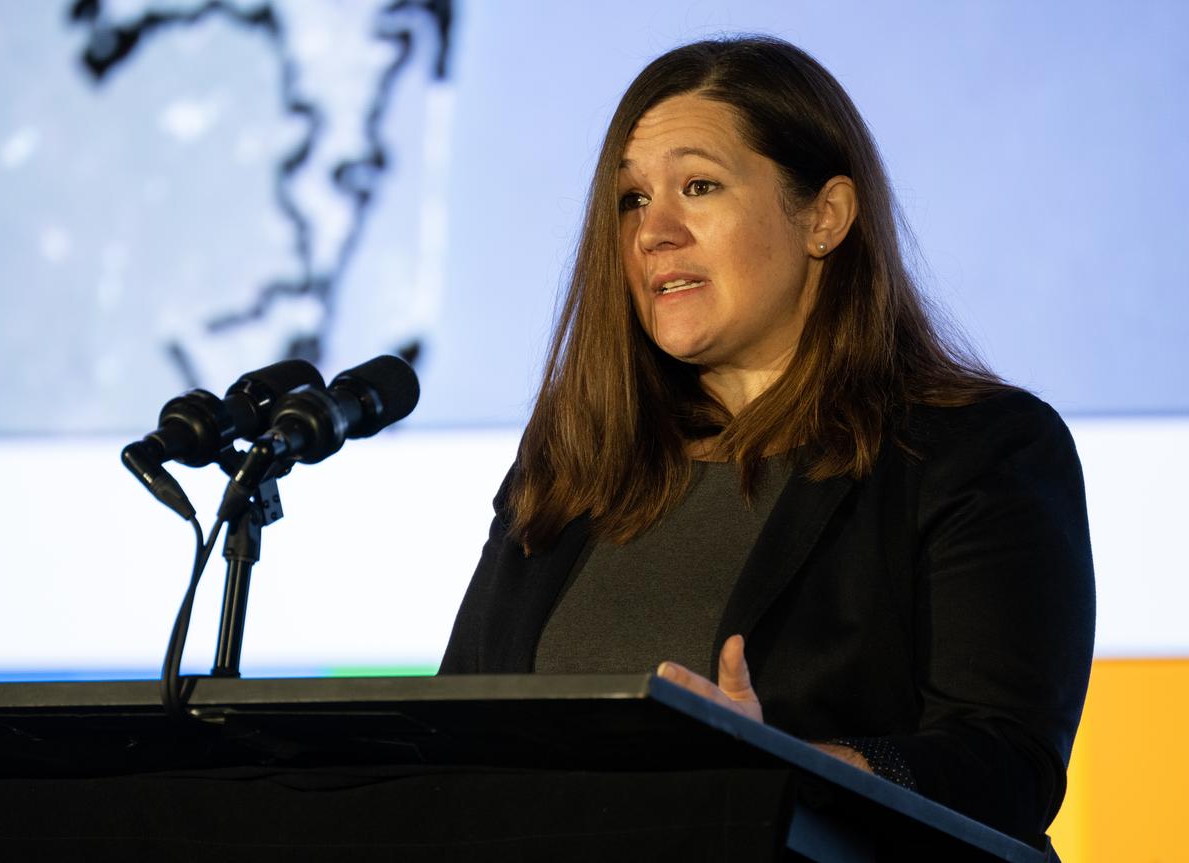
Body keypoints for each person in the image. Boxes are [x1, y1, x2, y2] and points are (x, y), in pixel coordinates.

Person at [439, 36, 1094, 844]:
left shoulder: (974, 449)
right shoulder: (573, 461)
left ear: (824, 216)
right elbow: (456, 729)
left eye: (699, 186)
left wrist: (778, 769)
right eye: (631, 200)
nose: (654, 232)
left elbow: (1005, 764)